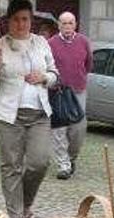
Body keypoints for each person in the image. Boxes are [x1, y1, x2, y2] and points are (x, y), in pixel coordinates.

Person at [0, 0, 59, 218]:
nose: (20, 24)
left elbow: (55, 73)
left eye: (25, 19)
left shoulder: (41, 43)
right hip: (9, 116)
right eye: (15, 19)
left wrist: (44, 78)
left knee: (39, 162)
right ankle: (15, 217)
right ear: (8, 21)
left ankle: (25, 203)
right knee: (11, 166)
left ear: (31, 20)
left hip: (39, 114)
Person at [47, 11, 91, 180]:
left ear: (76, 24)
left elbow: (88, 64)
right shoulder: (51, 43)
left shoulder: (83, 42)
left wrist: (78, 78)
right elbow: (47, 66)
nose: (67, 26)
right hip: (58, 92)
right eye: (64, 23)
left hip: (78, 90)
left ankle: (72, 157)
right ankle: (63, 164)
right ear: (58, 25)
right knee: (59, 129)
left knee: (78, 128)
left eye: (70, 23)